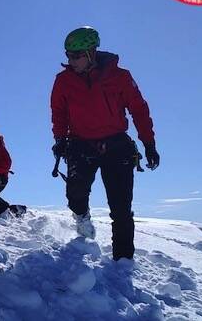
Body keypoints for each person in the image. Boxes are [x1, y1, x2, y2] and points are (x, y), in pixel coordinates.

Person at [51, 26, 159, 261]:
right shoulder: (63, 81)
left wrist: (149, 143)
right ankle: (82, 218)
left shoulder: (120, 77)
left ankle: (123, 261)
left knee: (121, 207)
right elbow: (58, 112)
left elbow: (139, 110)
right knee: (76, 194)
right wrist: (59, 139)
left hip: (116, 145)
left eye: (76, 55)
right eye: (68, 55)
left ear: (91, 53)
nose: (71, 61)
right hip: (80, 144)